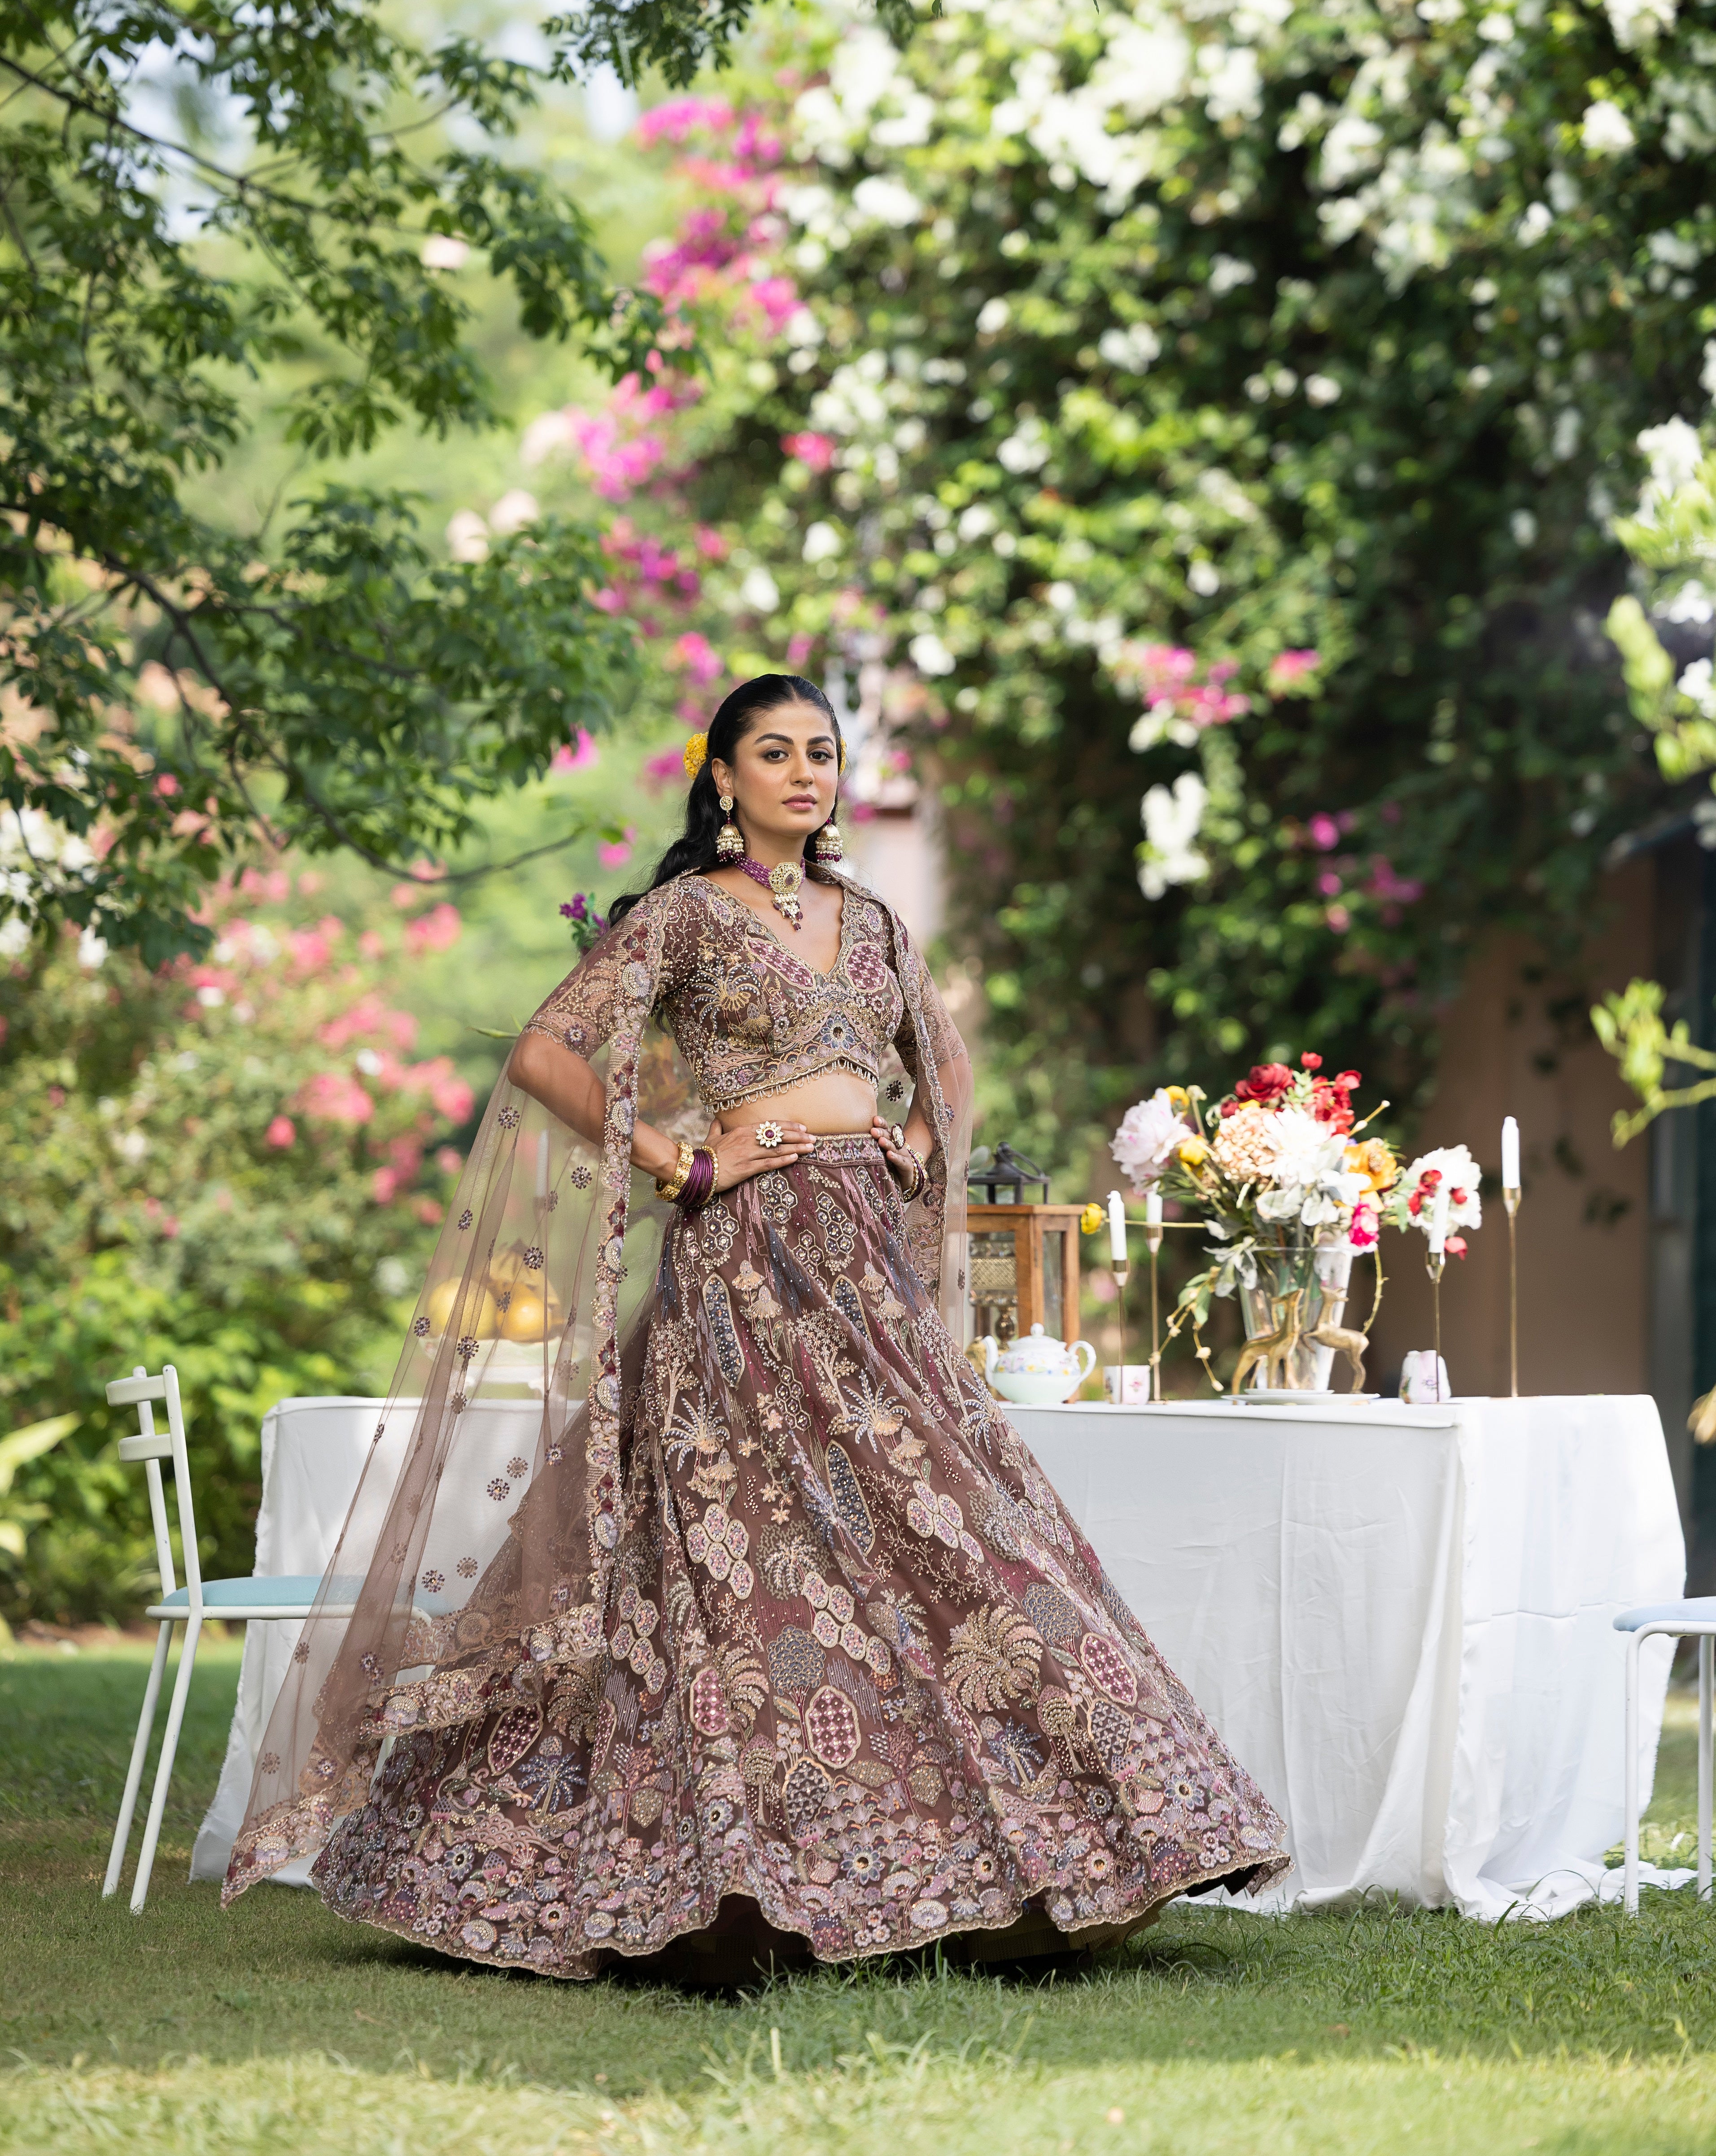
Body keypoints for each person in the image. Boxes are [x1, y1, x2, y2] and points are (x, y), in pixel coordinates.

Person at [223, 674, 1287, 1977]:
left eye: (821, 753)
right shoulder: (683, 916)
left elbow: (945, 1064)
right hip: (742, 1260)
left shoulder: (874, 919)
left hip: (865, 1265)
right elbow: (546, 1054)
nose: (803, 773)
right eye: (773, 753)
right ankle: (733, 1875)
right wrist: (682, 1161)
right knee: (748, 1550)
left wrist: (910, 1147)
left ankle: (1026, 1841)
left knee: (949, 1524)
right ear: (722, 778)